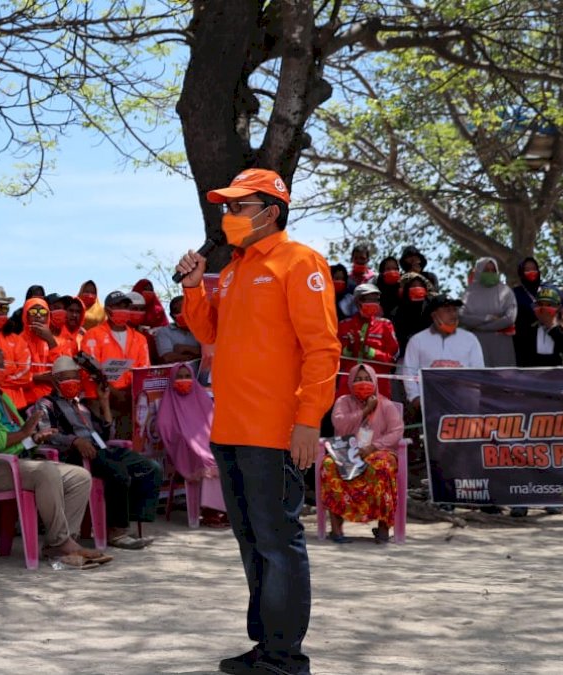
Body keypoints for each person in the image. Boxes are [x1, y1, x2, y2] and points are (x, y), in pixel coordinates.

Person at [175, 167, 339, 675]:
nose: (228, 217)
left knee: (277, 541)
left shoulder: (300, 262)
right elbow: (208, 330)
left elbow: (322, 349)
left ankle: (286, 656)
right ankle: (266, 646)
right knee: (251, 540)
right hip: (229, 428)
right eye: (226, 207)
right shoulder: (233, 270)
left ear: (270, 211)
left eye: (238, 207)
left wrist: (309, 422)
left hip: (275, 430)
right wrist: (194, 285)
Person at [0, 346, 107, 569]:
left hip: (18, 462)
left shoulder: (3, 397)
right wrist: (24, 434)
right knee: (46, 471)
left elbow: (20, 436)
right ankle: (60, 542)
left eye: (1, 365)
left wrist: (35, 438)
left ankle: (63, 541)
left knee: (79, 475)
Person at [35, 356, 161, 549]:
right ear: (55, 380)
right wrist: (75, 440)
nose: (72, 382)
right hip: (75, 455)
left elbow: (106, 433)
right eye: (66, 378)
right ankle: (117, 532)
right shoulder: (46, 404)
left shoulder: (82, 404)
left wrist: (104, 403)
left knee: (151, 468)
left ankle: (129, 520)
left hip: (101, 449)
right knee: (118, 472)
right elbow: (47, 435)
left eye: (75, 377)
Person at [323, 364, 403, 544]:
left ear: (374, 381)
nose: (363, 383)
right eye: (358, 380)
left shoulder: (386, 404)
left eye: (367, 379)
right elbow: (340, 424)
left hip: (377, 451)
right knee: (329, 465)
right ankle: (337, 530)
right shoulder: (343, 401)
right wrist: (365, 410)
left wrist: (374, 446)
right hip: (347, 451)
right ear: (350, 382)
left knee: (382, 466)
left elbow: (396, 431)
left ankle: (383, 529)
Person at [156, 363, 228, 527]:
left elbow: (214, 421)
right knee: (206, 459)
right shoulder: (169, 402)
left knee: (225, 456)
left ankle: (228, 510)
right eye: (179, 377)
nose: (184, 380)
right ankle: (211, 512)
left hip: (208, 443)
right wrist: (185, 439)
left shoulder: (201, 397)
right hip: (185, 449)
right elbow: (164, 427)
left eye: (187, 376)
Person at [401, 295, 485, 416]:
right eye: (447, 310)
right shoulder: (417, 340)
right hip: (429, 406)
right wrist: (415, 398)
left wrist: (473, 400)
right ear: (434, 314)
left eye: (455, 310)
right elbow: (409, 373)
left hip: (463, 405)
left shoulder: (470, 339)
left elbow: (478, 372)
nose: (453, 314)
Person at [81, 291, 150, 434]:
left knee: (127, 442)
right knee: (106, 441)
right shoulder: (93, 335)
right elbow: (91, 368)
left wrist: (128, 393)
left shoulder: (139, 338)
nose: (123, 310)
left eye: (126, 306)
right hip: (100, 400)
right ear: (107, 310)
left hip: (130, 401)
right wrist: (115, 392)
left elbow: (144, 370)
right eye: (118, 306)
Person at [336, 283, 399, 398]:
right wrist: (350, 348)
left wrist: (369, 351)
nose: (372, 303)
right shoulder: (344, 325)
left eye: (375, 299)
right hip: (348, 385)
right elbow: (336, 360)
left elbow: (392, 360)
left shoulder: (385, 325)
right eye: (368, 299)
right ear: (357, 301)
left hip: (379, 386)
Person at [460, 257, 517, 367]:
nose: (490, 273)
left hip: (501, 345)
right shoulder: (469, 293)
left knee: (503, 379)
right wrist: (487, 318)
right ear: (479, 271)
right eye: (486, 270)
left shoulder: (506, 291)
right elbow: (462, 316)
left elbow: (510, 318)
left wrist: (479, 327)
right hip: (477, 344)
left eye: (493, 270)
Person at [20, 297, 69, 407]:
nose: (38, 315)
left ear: (48, 316)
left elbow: (64, 372)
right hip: (26, 401)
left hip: (54, 400)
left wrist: (50, 341)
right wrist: (38, 377)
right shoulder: (17, 341)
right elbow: (13, 376)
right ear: (25, 316)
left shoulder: (59, 342)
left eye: (43, 312)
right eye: (33, 311)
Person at [519, 288, 563, 367]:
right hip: (532, 378)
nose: (544, 309)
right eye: (540, 304)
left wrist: (552, 327)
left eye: (549, 305)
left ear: (558, 307)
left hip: (559, 377)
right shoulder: (526, 331)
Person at [392, 273, 436, 349]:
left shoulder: (432, 307)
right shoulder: (398, 311)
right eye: (413, 286)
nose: (417, 288)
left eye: (420, 286)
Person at [154, 296, 202, 364]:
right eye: (178, 311)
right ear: (171, 315)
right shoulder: (164, 332)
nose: (182, 313)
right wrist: (197, 354)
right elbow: (168, 357)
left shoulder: (202, 329)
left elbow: (212, 352)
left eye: (185, 309)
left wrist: (186, 348)